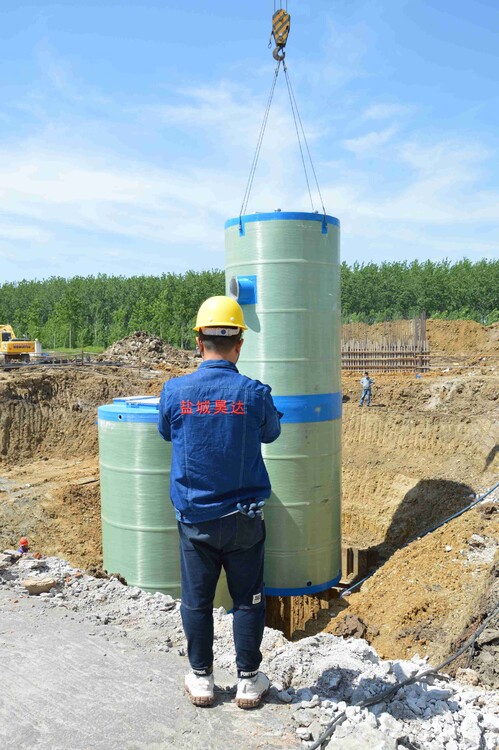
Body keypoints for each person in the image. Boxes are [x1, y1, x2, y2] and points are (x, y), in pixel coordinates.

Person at [158, 296, 282, 709]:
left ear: (199, 341)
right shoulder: (253, 393)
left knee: (197, 600)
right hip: (244, 521)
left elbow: (165, 432)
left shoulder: (176, 392)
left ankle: (202, 678)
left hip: (196, 522)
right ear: (239, 344)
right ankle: (248, 680)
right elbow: (271, 434)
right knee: (247, 598)